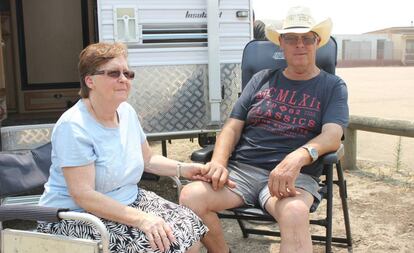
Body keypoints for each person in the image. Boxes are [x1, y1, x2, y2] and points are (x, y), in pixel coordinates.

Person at [180, 6, 349, 253]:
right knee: (191, 196)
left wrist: (297, 158)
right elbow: (232, 127)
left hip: (294, 176)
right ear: (281, 43)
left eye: (307, 38)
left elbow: (333, 136)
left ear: (317, 42)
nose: (299, 45)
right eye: (291, 39)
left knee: (294, 212)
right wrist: (218, 161)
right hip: (243, 172)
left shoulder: (332, 86)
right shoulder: (261, 79)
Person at [37, 42, 208, 253]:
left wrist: (184, 169)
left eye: (128, 73)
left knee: (189, 225)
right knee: (157, 244)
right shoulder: (73, 126)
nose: (123, 79)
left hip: (127, 200)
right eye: (114, 73)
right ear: (90, 81)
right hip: (76, 215)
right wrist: (142, 219)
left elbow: (148, 160)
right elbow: (83, 195)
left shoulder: (126, 112)